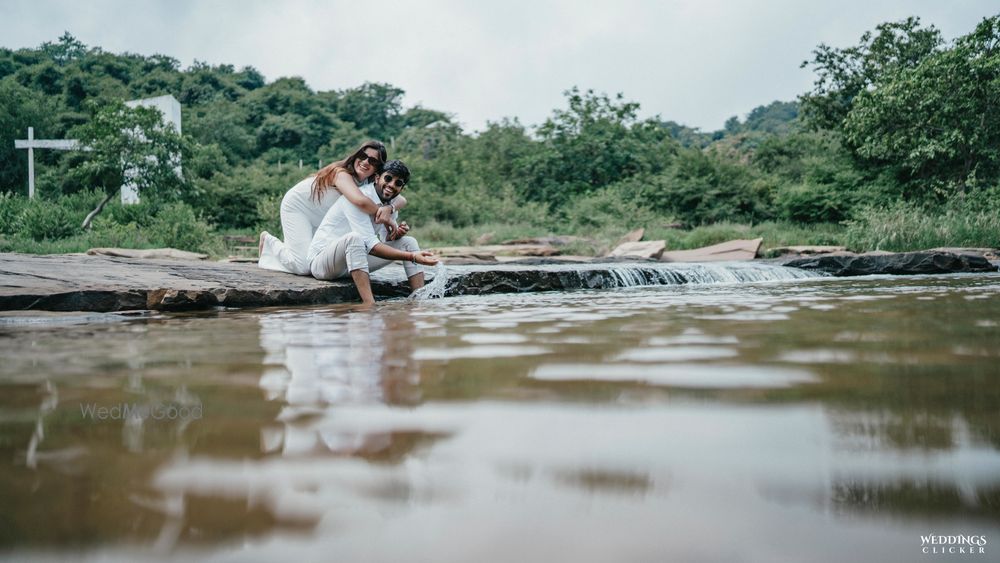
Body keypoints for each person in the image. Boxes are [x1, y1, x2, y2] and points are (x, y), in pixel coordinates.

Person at [258, 141, 406, 275]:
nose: (365, 162)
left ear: (377, 171)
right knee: (303, 266)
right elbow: (360, 201)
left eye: (372, 161)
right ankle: (269, 243)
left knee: (314, 260)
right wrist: (386, 219)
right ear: (356, 156)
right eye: (362, 156)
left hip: (322, 215)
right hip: (299, 207)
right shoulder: (341, 173)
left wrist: (390, 208)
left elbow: (401, 199)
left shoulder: (372, 182)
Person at [307, 160, 438, 305]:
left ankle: (420, 302)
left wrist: (395, 235)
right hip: (323, 263)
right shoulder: (359, 197)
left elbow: (384, 239)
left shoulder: (390, 204)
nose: (391, 185)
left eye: (398, 183)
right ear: (377, 178)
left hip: (353, 263)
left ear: (402, 188)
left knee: (409, 242)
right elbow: (371, 245)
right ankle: (369, 305)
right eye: (388, 178)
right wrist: (412, 256)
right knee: (355, 239)